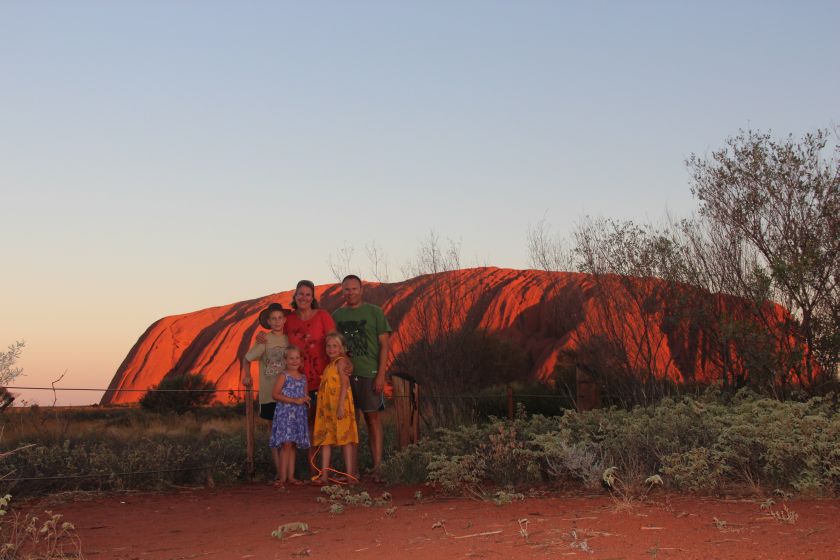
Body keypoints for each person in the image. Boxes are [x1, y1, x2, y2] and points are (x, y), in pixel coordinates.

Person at [332, 274, 392, 481]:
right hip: (346, 377)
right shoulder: (337, 315)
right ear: (342, 291)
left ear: (361, 290)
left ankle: (378, 468)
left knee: (372, 419)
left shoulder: (375, 312)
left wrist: (381, 374)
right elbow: (334, 346)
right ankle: (352, 471)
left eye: (354, 289)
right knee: (350, 422)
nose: (350, 293)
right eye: (346, 289)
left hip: (369, 373)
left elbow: (385, 345)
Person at [241, 302, 290, 482]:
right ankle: (279, 472)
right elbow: (246, 358)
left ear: (285, 319)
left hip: (287, 395)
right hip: (268, 395)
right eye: (273, 318)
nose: (277, 321)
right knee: (274, 433)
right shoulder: (264, 340)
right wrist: (247, 375)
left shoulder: (289, 339)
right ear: (268, 321)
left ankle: (287, 472)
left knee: (287, 434)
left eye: (280, 318)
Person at [311, 332, 358, 484]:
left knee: (346, 439)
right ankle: (324, 476)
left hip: (340, 406)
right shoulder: (329, 365)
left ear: (342, 348)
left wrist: (340, 407)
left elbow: (345, 384)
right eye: (329, 346)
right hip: (327, 409)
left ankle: (350, 475)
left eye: (335, 346)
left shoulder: (341, 362)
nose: (331, 349)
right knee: (326, 440)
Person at [269, 346, 311, 488]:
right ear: (285, 360)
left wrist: (306, 400)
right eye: (291, 358)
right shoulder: (284, 376)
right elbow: (275, 394)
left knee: (292, 444)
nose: (294, 361)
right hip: (285, 413)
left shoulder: (303, 378)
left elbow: (305, 396)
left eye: (297, 358)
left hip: (298, 415)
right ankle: (282, 477)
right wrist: (294, 400)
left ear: (301, 360)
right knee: (286, 444)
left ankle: (291, 477)